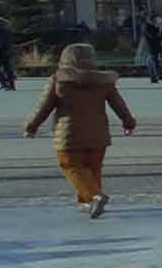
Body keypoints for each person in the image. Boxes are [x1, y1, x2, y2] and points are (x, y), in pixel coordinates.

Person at [23, 43, 137, 219]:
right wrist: (128, 123)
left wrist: (31, 127)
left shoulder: (58, 80)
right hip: (98, 135)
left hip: (68, 135)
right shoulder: (104, 82)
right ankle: (87, 203)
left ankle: (95, 197)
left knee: (71, 166)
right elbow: (119, 105)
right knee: (93, 169)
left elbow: (43, 107)